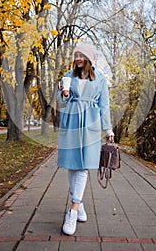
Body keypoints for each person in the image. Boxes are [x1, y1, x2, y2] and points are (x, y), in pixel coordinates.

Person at [57, 43, 114, 236]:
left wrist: (108, 129)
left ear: (89, 58)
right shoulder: (68, 75)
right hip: (71, 122)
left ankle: (73, 210)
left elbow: (104, 106)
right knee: (72, 166)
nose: (78, 58)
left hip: (89, 124)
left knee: (82, 166)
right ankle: (79, 205)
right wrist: (64, 94)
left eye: (81, 55)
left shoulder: (100, 79)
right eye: (76, 55)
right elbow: (60, 101)